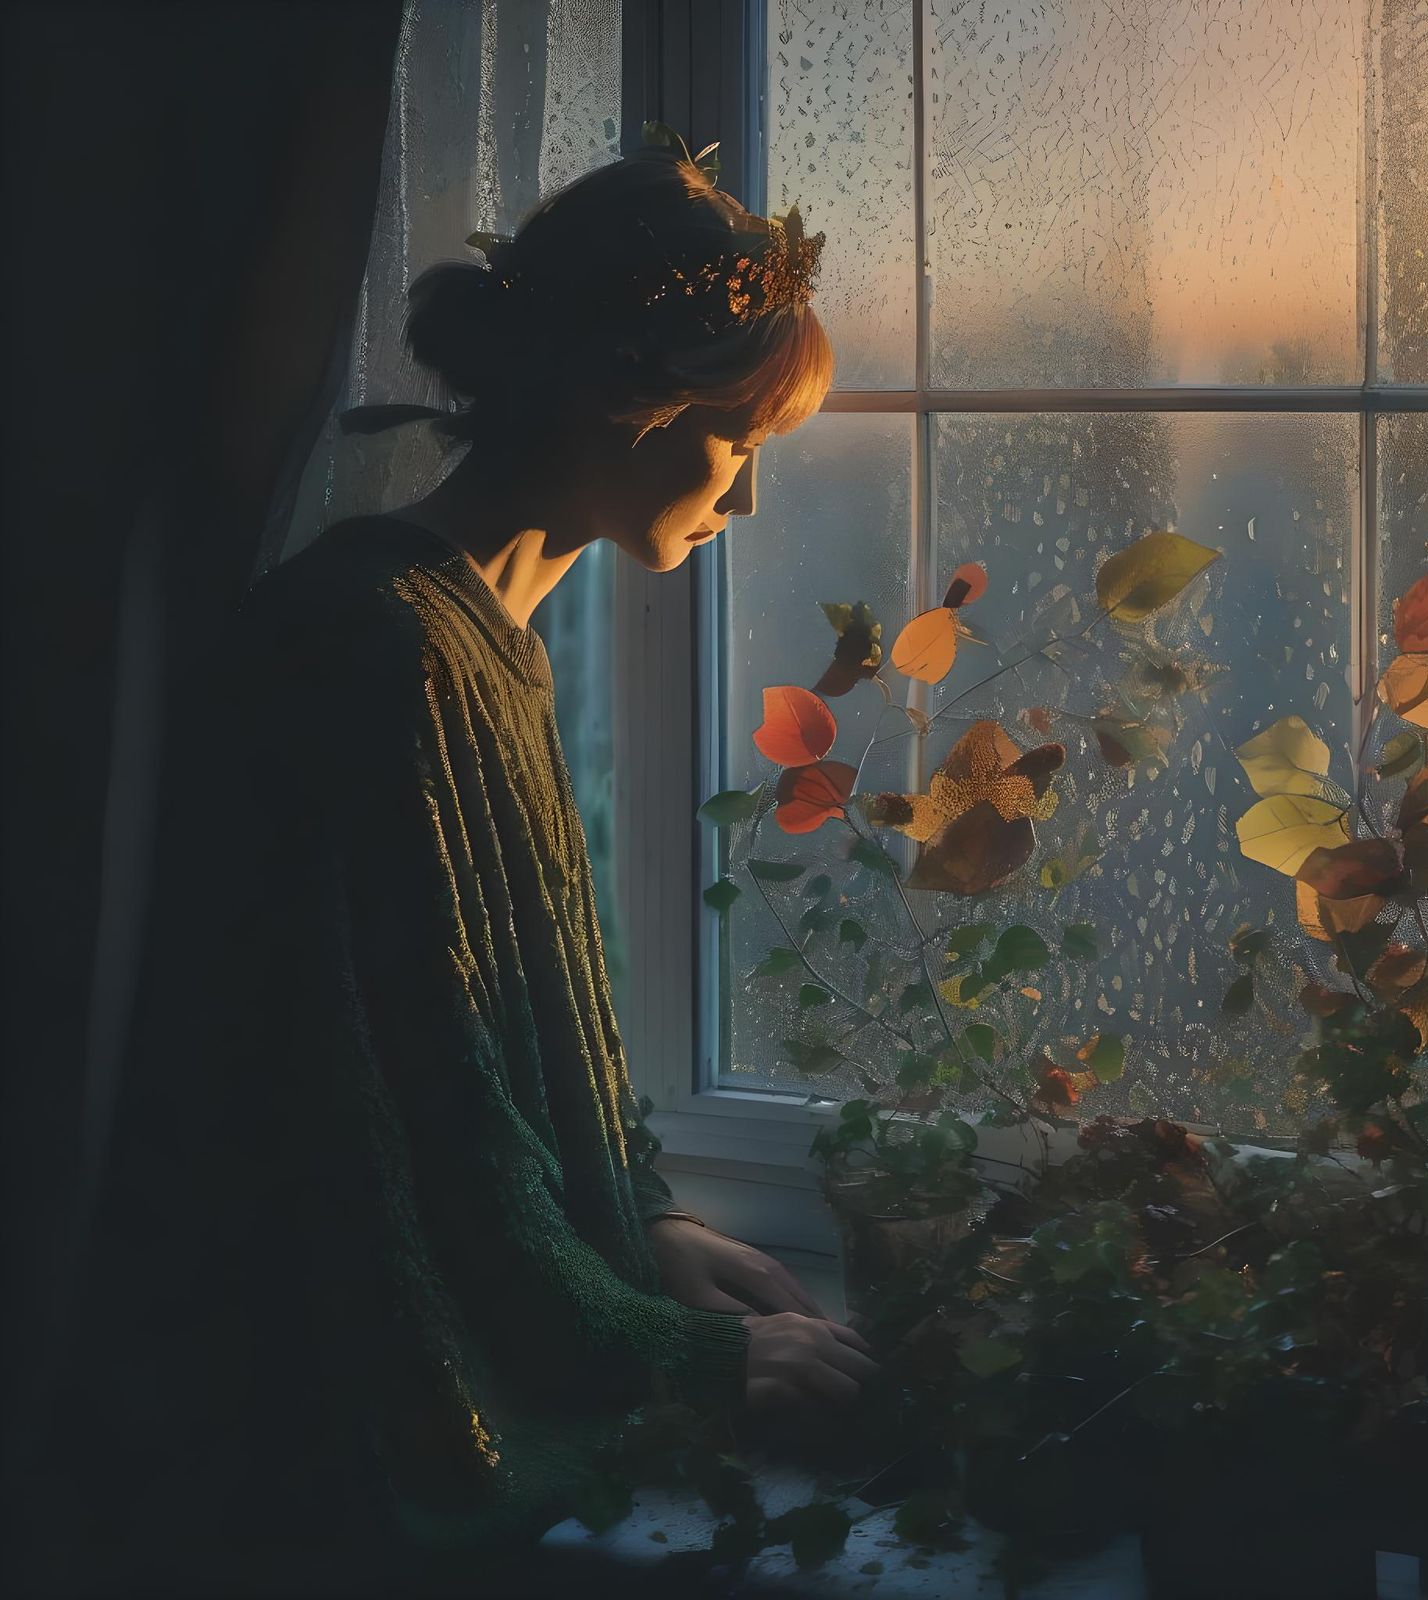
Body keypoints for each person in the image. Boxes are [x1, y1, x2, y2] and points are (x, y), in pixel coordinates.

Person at [70, 134, 877, 1598]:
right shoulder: (374, 648)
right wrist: (678, 1353)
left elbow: (533, 1010)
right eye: (738, 443)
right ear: (622, 397)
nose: (745, 499)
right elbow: (408, 1111)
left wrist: (652, 1215)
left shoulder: (483, 637)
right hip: (279, 1454)